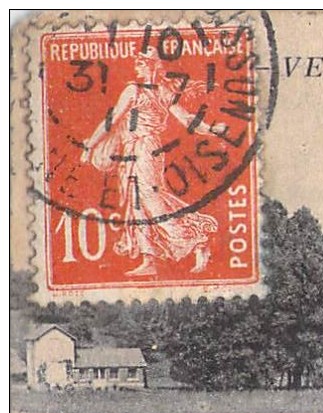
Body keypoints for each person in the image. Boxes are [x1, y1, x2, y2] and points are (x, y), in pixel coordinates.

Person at [79, 53, 225, 277]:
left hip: (145, 149)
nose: (136, 66)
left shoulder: (137, 91)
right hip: (136, 150)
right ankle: (150, 259)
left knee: (150, 199)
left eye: (140, 62)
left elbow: (113, 120)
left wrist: (90, 146)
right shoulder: (157, 91)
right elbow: (187, 119)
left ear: (150, 66)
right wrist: (211, 129)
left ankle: (196, 239)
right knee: (137, 203)